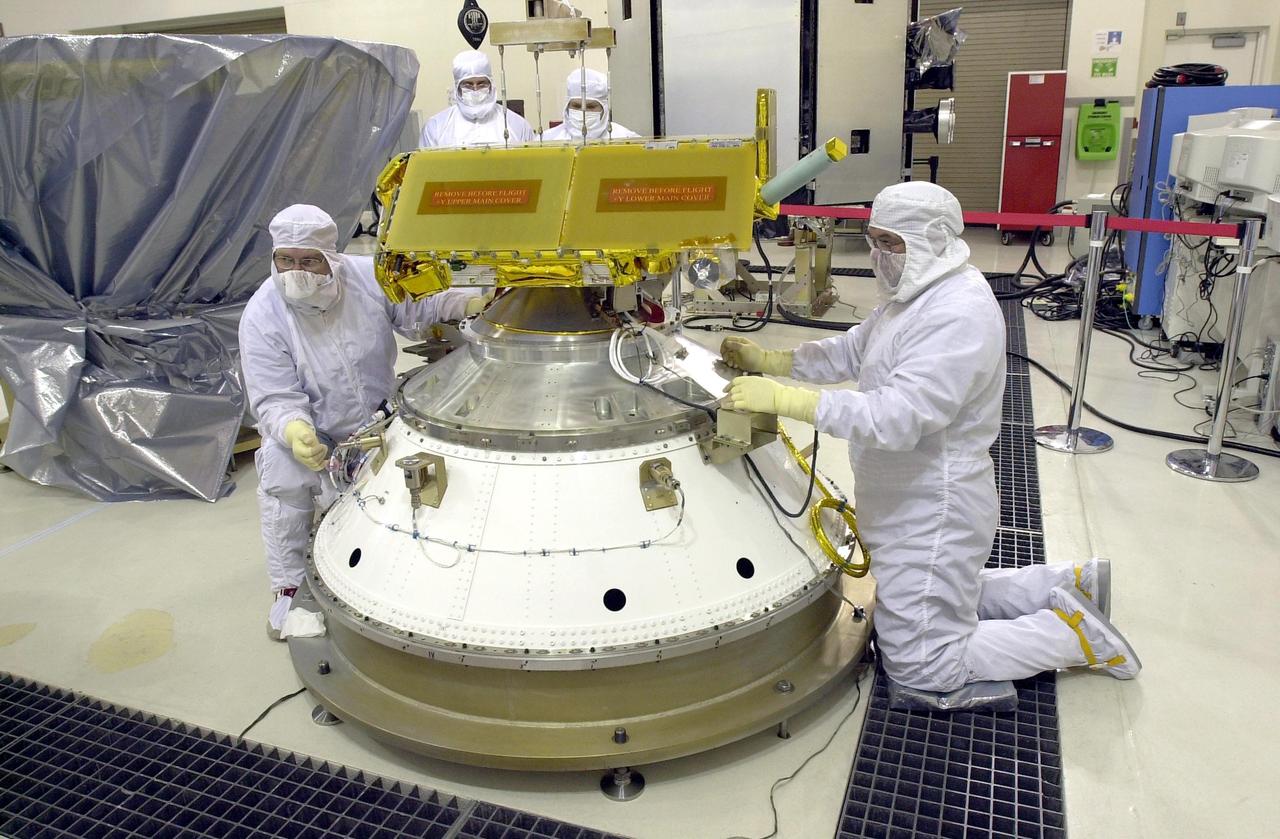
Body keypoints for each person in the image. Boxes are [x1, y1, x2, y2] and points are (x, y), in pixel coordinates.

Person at [721, 182, 1140, 695]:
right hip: (906, 497)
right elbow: (855, 350)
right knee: (935, 594)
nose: (879, 256)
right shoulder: (914, 295)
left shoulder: (956, 312)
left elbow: (899, 417)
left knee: (922, 663)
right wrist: (776, 361)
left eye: (891, 243)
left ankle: (1076, 637)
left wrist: (787, 400)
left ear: (931, 240)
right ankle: (1069, 585)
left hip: (933, 504)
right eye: (874, 241)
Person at [239, 204, 487, 639]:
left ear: (331, 257)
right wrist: (296, 432)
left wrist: (470, 302)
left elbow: (417, 308)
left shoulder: (365, 278)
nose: (297, 272)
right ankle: (288, 588)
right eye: (286, 260)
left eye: (310, 261)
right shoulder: (263, 315)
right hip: (312, 429)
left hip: (376, 419)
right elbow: (275, 396)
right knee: (283, 478)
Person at [419, 50, 534, 148]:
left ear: (491, 85)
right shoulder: (436, 127)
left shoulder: (517, 125)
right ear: (457, 88)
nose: (475, 89)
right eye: (468, 84)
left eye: (481, 83)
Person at [542, 68, 639, 142]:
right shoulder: (545, 141)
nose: (583, 113)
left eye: (590, 107)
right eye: (576, 106)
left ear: (604, 108)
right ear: (567, 106)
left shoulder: (627, 140)